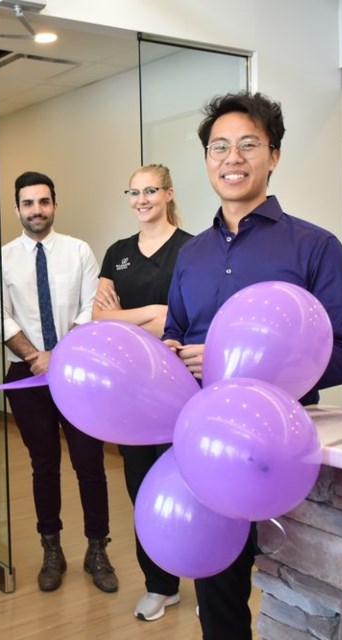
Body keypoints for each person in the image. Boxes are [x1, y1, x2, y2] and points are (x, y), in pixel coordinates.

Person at [163, 91, 342, 640]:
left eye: (248, 145)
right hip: (208, 453)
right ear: (207, 159)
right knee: (219, 601)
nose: (232, 158)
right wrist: (171, 356)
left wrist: (245, 367)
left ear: (273, 155)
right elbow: (174, 335)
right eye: (219, 147)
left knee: (299, 601)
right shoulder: (192, 255)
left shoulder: (315, 248)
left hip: (287, 454)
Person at [0, 171, 117, 595]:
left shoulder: (79, 252)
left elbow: (90, 307)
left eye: (43, 202)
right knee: (44, 466)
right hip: (26, 375)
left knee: (90, 464)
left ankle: (98, 549)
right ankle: (52, 550)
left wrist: (58, 357)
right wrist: (35, 357)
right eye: (28, 203)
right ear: (17, 208)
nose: (36, 210)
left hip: (78, 370)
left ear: (54, 205)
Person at [92, 164, 193, 621]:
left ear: (168, 194)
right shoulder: (117, 252)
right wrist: (153, 311)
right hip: (131, 394)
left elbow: (184, 321)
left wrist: (131, 316)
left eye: (151, 190)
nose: (142, 199)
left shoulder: (192, 249)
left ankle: (207, 581)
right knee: (140, 486)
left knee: (188, 486)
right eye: (134, 191)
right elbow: (99, 319)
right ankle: (160, 585)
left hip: (180, 389)